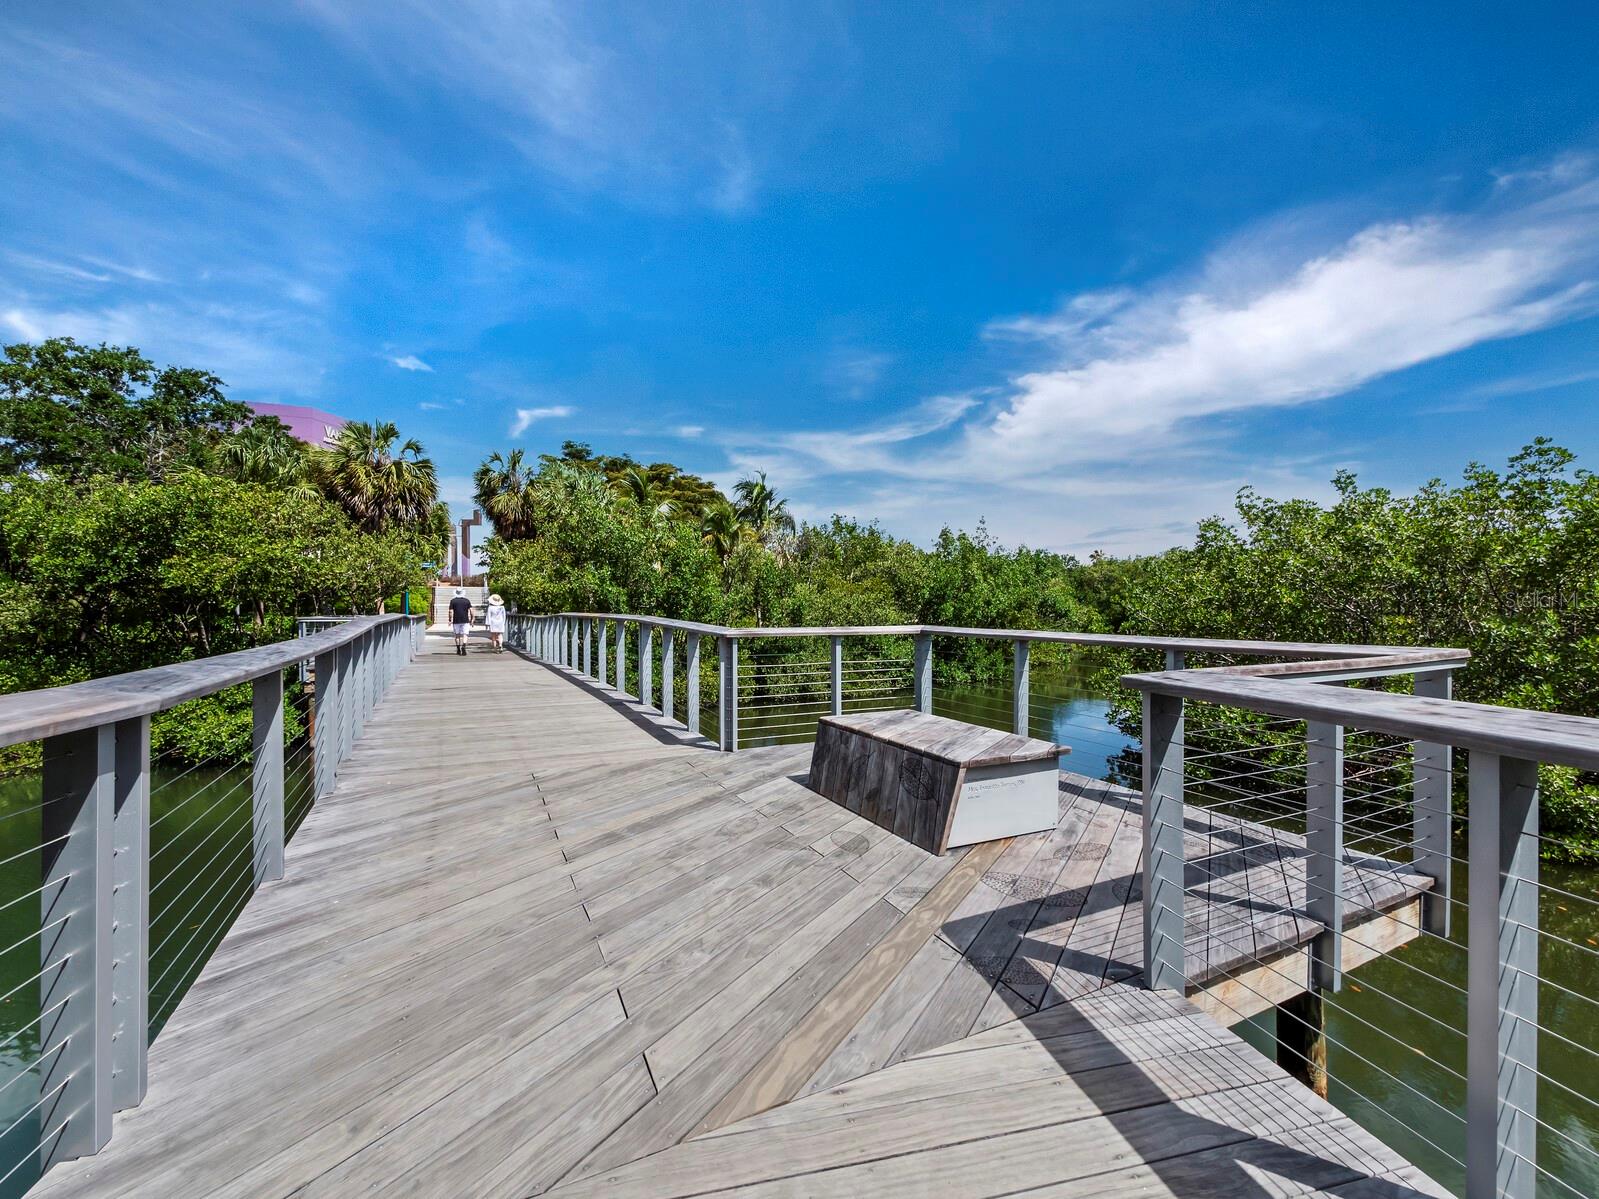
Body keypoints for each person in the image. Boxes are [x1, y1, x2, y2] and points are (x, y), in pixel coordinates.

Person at [448, 588, 473, 656]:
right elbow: (471, 611)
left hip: (456, 620)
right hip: (465, 620)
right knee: (465, 634)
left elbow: (450, 611)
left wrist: (450, 619)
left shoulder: (453, 601)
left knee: (457, 635)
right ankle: (464, 646)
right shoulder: (467, 601)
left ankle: (458, 649)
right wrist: (472, 619)